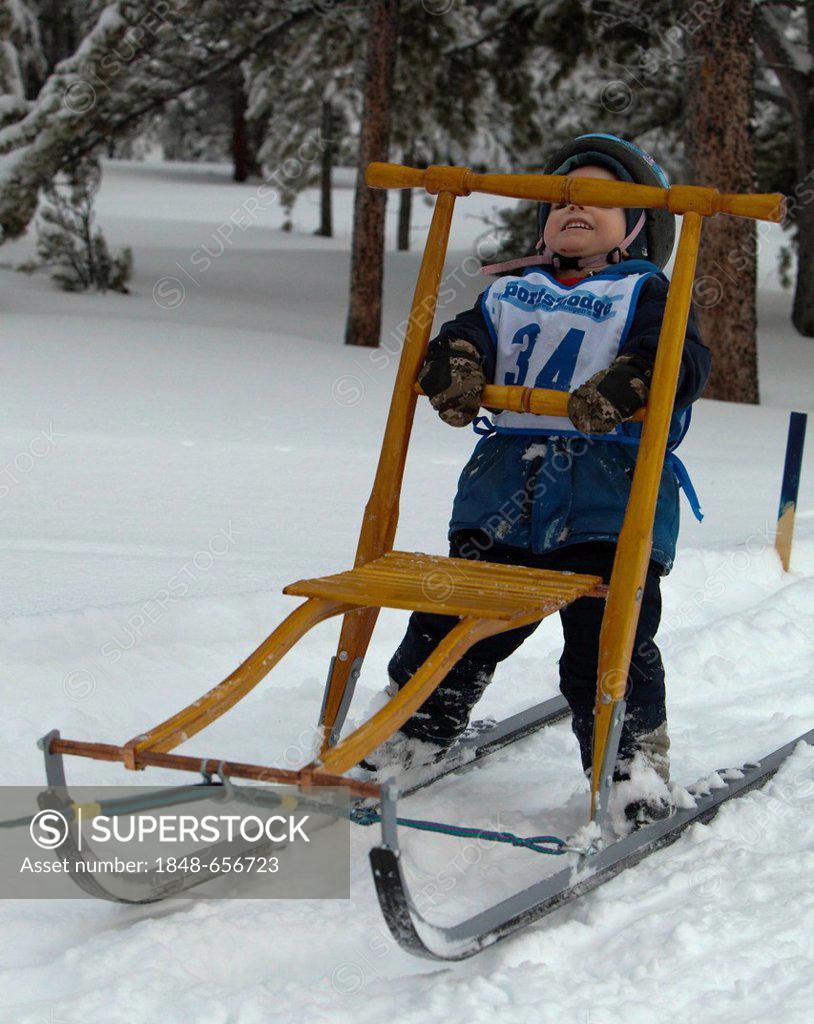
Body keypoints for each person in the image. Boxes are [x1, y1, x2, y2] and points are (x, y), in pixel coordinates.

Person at [361, 133, 712, 827]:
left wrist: (626, 384)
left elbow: (682, 360)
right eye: (561, 197)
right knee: (454, 619)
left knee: (609, 641)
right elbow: (464, 337)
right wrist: (456, 366)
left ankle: (629, 761)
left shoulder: (646, 290)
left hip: (609, 503)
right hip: (501, 498)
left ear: (638, 227)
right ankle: (416, 727)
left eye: (600, 195)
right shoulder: (510, 292)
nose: (574, 203)